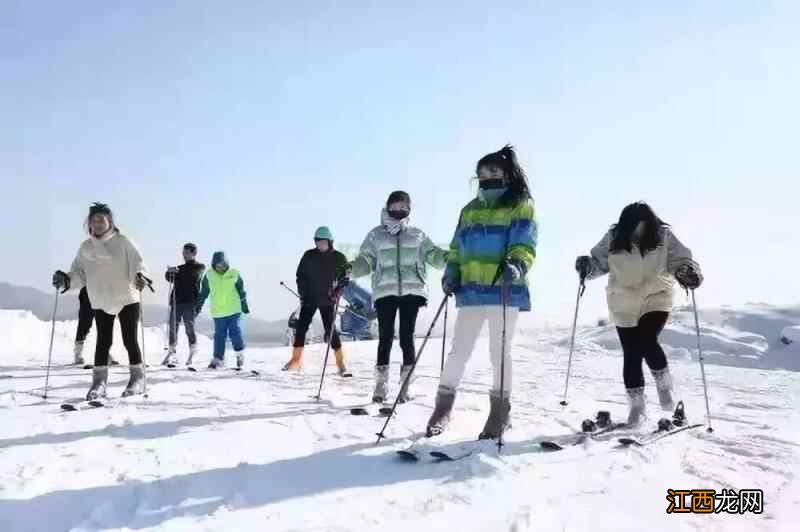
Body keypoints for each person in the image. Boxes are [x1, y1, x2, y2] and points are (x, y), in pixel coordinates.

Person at [426, 145, 537, 439]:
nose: (486, 176)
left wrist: (517, 264)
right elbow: (456, 246)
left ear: (506, 173)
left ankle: (500, 414)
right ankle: (442, 408)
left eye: (493, 171)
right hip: (472, 290)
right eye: (482, 172)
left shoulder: (519, 204)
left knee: (499, 352)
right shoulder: (470, 210)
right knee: (458, 351)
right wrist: (452, 270)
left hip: (504, 290)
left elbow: (524, 242)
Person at [575, 202, 702, 424]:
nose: (639, 232)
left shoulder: (663, 236)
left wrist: (686, 272)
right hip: (623, 300)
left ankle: (665, 386)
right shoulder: (614, 237)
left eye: (644, 226)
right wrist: (586, 266)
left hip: (657, 295)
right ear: (626, 226)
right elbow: (599, 263)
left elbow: (680, 260)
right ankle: (637, 407)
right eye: (635, 227)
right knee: (631, 353)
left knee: (647, 340)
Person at [350, 191, 448, 403]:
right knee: (385, 337)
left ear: (409, 209)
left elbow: (433, 255)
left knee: (406, 337)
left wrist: (449, 258)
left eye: (403, 206)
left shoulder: (417, 235)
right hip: (385, 291)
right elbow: (365, 262)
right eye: (394, 206)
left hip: (412, 292)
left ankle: (405, 385)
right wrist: (349, 269)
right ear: (387, 207)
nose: (398, 210)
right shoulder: (376, 235)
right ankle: (380, 385)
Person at [52, 202, 151, 400]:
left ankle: (137, 379)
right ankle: (99, 383)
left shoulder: (123, 241)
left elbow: (138, 263)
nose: (97, 223)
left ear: (110, 222)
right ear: (89, 224)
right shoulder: (86, 247)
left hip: (126, 296)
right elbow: (79, 274)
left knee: (129, 339)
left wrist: (141, 276)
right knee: (103, 341)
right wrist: (66, 280)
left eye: (101, 219)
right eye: (94, 220)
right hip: (102, 298)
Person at [283, 227, 350, 374]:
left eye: (323, 242)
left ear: (330, 242)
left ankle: (341, 363)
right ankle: (296, 361)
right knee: (301, 328)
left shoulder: (338, 257)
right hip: (310, 298)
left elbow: (345, 275)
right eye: (318, 242)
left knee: (331, 331)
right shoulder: (309, 256)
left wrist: (342, 284)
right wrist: (303, 291)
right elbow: (300, 275)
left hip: (328, 299)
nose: (320, 245)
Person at [195, 251, 249, 369]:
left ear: (227, 263)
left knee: (235, 331)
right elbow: (204, 292)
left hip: (234, 309)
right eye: (218, 265)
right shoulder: (209, 275)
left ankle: (239, 354)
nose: (221, 268)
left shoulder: (234, 273)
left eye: (223, 265)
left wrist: (244, 304)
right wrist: (198, 306)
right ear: (214, 265)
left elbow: (241, 290)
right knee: (219, 335)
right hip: (218, 311)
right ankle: (218, 359)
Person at [162, 243, 206, 367]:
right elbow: (168, 277)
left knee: (189, 327)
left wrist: (176, 272)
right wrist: (169, 272)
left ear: (193, 253)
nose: (184, 255)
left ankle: (193, 350)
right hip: (176, 301)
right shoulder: (179, 268)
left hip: (190, 302)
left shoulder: (199, 267)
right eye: (183, 252)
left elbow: (193, 277)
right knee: (173, 327)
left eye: (187, 252)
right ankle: (172, 352)